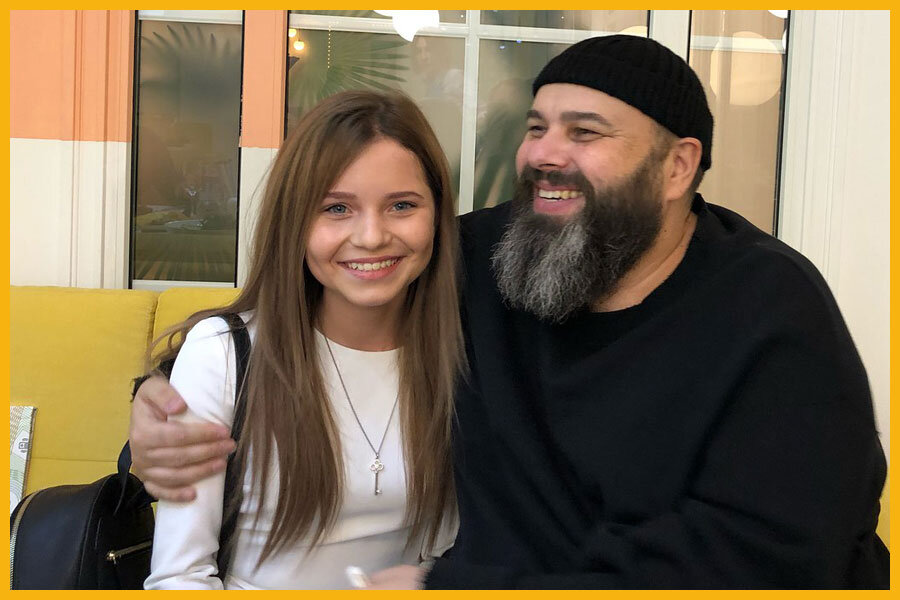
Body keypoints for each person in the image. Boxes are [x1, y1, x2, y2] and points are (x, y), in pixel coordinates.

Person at [130, 36, 889, 588]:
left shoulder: (770, 309)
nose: (543, 154)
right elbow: (311, 311)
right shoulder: (494, 255)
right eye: (536, 127)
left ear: (677, 166)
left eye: (583, 132)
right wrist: (155, 406)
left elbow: (769, 557)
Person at [140, 89, 463, 589]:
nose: (372, 236)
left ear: (438, 215)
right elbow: (180, 576)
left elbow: (461, 551)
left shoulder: (465, 352)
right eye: (337, 208)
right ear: (295, 220)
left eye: (402, 205)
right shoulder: (224, 353)